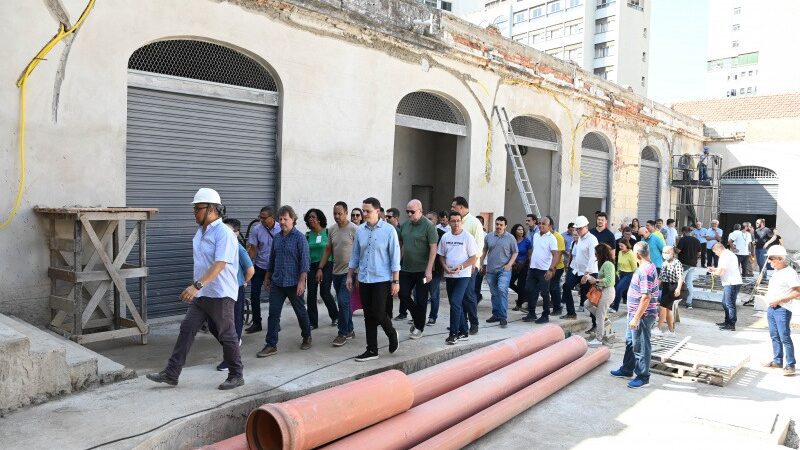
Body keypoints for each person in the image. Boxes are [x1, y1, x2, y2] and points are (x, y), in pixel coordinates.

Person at [146, 188, 243, 390]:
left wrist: (196, 285)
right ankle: (172, 373)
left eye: (198, 208)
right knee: (187, 329)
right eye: (194, 209)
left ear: (212, 209)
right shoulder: (200, 232)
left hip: (220, 293)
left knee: (227, 334)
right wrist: (198, 287)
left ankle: (236, 374)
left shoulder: (224, 233)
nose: (194, 213)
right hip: (203, 294)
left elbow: (220, 264)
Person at [347, 197, 400, 362]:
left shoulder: (389, 230)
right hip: (364, 278)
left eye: (368, 211)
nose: (364, 213)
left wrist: (395, 281)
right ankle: (372, 350)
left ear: (377, 211)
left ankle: (392, 333)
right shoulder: (360, 230)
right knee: (368, 315)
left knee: (378, 312)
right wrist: (350, 275)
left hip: (382, 278)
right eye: (363, 210)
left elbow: (395, 257)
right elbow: (355, 255)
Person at [257, 205, 313, 358]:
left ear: (293, 220)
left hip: (294, 283)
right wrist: (267, 276)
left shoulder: (300, 238)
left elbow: (305, 262)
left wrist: (302, 281)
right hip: (278, 282)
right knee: (273, 314)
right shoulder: (277, 237)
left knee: (300, 312)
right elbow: (272, 259)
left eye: (285, 219)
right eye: (280, 219)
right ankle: (271, 344)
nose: (282, 222)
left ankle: (307, 336)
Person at [610, 241, 660, 389]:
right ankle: (627, 369)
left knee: (641, 346)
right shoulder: (646, 267)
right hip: (634, 313)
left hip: (642, 315)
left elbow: (646, 297)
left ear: (637, 255)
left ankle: (643, 377)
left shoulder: (645, 271)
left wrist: (637, 317)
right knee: (631, 342)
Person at [209, 218, 254, 371]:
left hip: (235, 289)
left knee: (233, 325)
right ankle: (234, 345)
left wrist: (243, 282)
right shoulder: (221, 247)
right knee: (213, 324)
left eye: (228, 230)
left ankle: (230, 359)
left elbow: (250, 269)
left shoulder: (238, 248)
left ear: (236, 232)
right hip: (221, 290)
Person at [318, 201, 358, 347]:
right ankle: (350, 329)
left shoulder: (355, 229)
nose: (336, 216)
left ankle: (342, 333)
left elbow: (360, 251)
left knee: (342, 301)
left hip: (350, 273)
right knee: (344, 302)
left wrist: (358, 273)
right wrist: (320, 268)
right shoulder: (332, 229)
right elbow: (328, 249)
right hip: (336, 271)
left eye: (340, 213)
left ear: (346, 213)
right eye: (335, 213)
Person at [398, 199, 439, 339]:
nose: (409, 214)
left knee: (421, 299)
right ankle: (418, 318)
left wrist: (429, 269)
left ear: (420, 211)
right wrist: (398, 263)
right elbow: (401, 244)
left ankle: (419, 327)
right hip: (406, 268)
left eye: (412, 211)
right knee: (403, 294)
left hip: (422, 270)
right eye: (407, 211)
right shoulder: (404, 225)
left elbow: (433, 249)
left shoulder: (429, 226)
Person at [438, 211, 479, 345]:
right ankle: (464, 331)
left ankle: (453, 334)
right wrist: (444, 266)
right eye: (453, 221)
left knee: (455, 302)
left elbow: (474, 257)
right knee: (456, 304)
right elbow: (441, 255)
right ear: (449, 222)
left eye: (458, 221)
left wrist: (461, 267)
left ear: (461, 222)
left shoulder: (468, 237)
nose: (456, 224)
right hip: (449, 275)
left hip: (463, 275)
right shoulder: (445, 237)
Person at [763, 246, 799, 376]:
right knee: (774, 336)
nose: (769, 261)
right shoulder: (777, 271)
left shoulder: (790, 273)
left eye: (771, 258)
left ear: (780, 259)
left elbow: (797, 292)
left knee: (784, 337)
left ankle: (790, 365)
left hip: (782, 309)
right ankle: (777, 361)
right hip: (772, 308)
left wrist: (779, 300)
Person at [451, 196, 485, 335]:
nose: (452, 209)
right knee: (458, 297)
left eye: (453, 207)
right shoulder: (454, 222)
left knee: (469, 296)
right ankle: (460, 323)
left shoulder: (474, 222)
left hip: (469, 267)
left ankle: (474, 323)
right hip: (455, 268)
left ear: (461, 207)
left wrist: (472, 264)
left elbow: (479, 246)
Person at [245, 206, 280, 334]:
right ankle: (256, 323)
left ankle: (275, 323)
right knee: (254, 295)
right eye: (260, 217)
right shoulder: (257, 229)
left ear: (272, 217)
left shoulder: (280, 228)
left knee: (275, 296)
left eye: (264, 218)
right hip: (260, 267)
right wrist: (247, 265)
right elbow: (253, 249)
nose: (261, 220)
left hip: (276, 268)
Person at [304, 209, 339, 329]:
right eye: (309, 217)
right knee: (311, 294)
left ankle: (335, 316)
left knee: (325, 292)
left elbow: (332, 250)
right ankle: (313, 322)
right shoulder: (307, 235)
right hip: (312, 265)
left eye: (313, 217)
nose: (311, 219)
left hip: (327, 265)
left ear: (319, 218)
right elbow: (305, 253)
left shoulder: (328, 232)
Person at [481, 216, 518, 328]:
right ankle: (496, 314)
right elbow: (484, 250)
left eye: (501, 225)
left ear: (505, 226)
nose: (498, 226)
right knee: (494, 293)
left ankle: (503, 317)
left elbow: (515, 252)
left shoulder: (510, 238)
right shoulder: (489, 236)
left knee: (502, 290)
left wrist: (509, 265)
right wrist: (481, 264)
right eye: (497, 224)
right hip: (491, 270)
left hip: (504, 270)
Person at [560, 216, 598, 320]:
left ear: (586, 227)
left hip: (589, 273)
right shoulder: (579, 239)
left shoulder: (592, 239)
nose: (577, 231)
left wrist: (587, 274)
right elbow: (577, 256)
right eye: (577, 229)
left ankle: (595, 323)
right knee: (566, 287)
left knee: (589, 299)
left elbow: (592, 258)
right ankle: (571, 313)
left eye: (579, 228)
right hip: (577, 270)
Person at [523, 217, 559, 324]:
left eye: (544, 224)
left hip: (544, 270)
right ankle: (532, 313)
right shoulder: (536, 235)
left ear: (549, 226)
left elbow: (556, 255)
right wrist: (530, 264)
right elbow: (535, 250)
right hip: (533, 269)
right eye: (540, 223)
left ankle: (545, 315)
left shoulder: (551, 238)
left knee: (544, 293)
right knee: (529, 290)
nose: (541, 225)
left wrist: (551, 269)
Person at [583, 244, 616, 347]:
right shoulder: (604, 264)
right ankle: (605, 320)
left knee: (600, 316)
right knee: (587, 304)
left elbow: (609, 281)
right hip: (603, 291)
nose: (595, 255)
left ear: (601, 253)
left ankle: (599, 338)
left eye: (596, 253)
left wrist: (595, 280)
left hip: (607, 292)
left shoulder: (607, 264)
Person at [708, 242, 743, 331]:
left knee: (729, 304)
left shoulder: (724, 256)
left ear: (718, 249)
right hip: (731, 282)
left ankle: (731, 324)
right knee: (725, 303)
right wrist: (715, 269)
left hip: (731, 282)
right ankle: (727, 321)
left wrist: (713, 272)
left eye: (716, 252)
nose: (716, 254)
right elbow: (725, 269)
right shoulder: (729, 254)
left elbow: (721, 272)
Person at [425, 211, 447, 325]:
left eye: (430, 219)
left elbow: (444, 253)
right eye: (426, 218)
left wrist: (444, 269)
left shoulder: (442, 234)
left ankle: (433, 316)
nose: (428, 221)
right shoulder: (422, 231)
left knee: (434, 294)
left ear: (436, 220)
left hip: (436, 271)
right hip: (422, 270)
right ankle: (418, 316)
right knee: (419, 294)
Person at [656, 246, 683, 334]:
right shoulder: (664, 263)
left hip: (673, 287)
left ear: (672, 253)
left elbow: (680, 277)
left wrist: (678, 288)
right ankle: (671, 330)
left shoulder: (677, 263)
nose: (665, 254)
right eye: (664, 252)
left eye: (667, 252)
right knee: (668, 309)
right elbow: (660, 277)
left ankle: (659, 328)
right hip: (666, 287)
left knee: (662, 307)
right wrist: (654, 287)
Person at [675, 226, 701, 309]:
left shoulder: (683, 239)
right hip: (693, 264)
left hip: (684, 264)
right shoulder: (697, 240)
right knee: (689, 283)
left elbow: (678, 251)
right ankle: (689, 303)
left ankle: (674, 301)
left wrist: (674, 248)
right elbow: (699, 253)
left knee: (679, 282)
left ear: (683, 232)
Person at [509, 224, 532, 311]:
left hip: (524, 266)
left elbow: (529, 254)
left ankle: (519, 304)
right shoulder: (512, 240)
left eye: (522, 229)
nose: (521, 231)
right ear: (515, 231)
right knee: (509, 283)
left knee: (521, 285)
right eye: (519, 229)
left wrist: (529, 266)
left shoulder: (527, 241)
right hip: (513, 265)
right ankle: (524, 295)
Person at [547, 215, 566, 317]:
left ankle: (557, 307)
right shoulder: (544, 236)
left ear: (550, 226)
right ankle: (555, 303)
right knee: (550, 287)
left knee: (554, 287)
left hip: (557, 267)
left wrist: (553, 267)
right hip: (548, 266)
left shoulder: (558, 236)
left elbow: (558, 254)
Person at [612, 239, 636, 312]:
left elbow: (634, 267)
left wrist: (634, 278)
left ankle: (615, 308)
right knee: (615, 288)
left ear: (626, 245)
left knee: (618, 289)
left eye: (622, 246)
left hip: (628, 274)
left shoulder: (631, 254)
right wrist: (617, 273)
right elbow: (618, 264)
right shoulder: (620, 252)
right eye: (619, 246)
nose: (620, 247)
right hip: (620, 273)